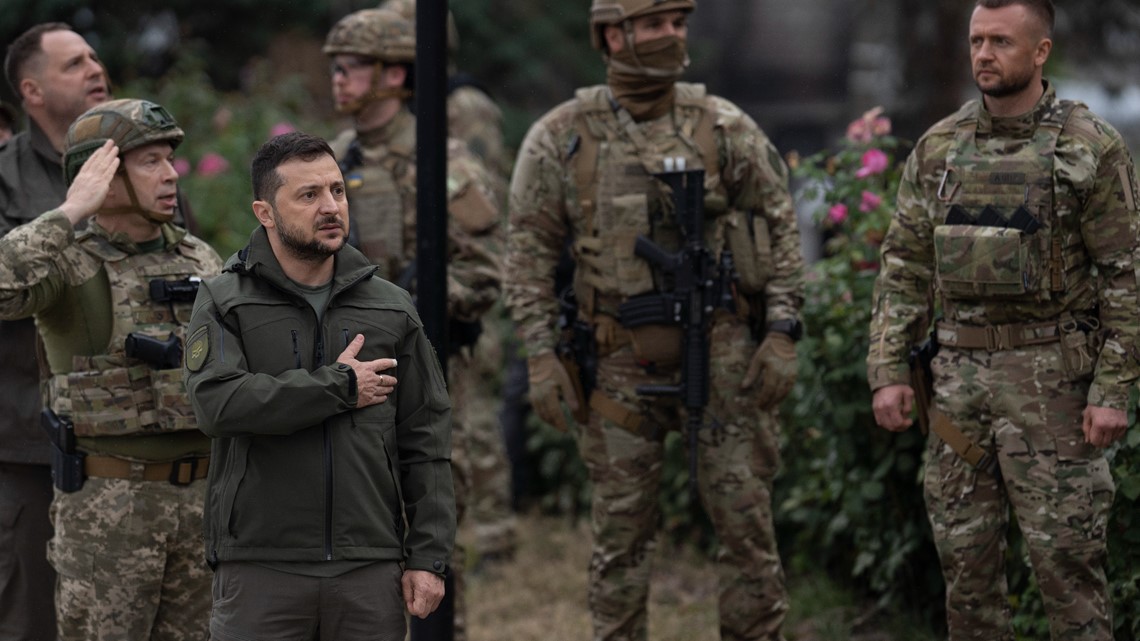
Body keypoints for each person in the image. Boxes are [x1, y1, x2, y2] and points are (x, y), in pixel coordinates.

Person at [505, 1, 805, 639]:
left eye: (679, 24)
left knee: (747, 532)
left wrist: (782, 332)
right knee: (621, 537)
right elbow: (527, 255)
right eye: (655, 25)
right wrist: (540, 354)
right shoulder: (562, 136)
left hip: (724, 353)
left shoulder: (723, 125)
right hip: (616, 360)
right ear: (613, 36)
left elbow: (781, 227)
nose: (672, 36)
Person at [867, 1, 1140, 639]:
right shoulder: (940, 147)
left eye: (1001, 42)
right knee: (965, 574)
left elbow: (1126, 276)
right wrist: (888, 369)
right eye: (976, 40)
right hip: (957, 391)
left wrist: (1112, 390)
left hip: (1053, 391)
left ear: (1041, 51)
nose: (984, 54)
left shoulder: (1088, 146)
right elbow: (904, 265)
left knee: (1069, 572)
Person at [182, 131, 455, 641]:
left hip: (368, 566)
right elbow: (217, 404)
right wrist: (338, 387)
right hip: (261, 564)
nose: (330, 207)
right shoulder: (226, 300)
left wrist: (429, 555)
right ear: (265, 213)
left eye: (337, 190)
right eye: (308, 195)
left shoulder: (391, 306)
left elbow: (426, 438)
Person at [0, 98, 220, 640]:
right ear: (103, 176)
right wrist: (71, 210)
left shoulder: (201, 260)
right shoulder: (69, 260)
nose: (171, 174)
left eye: (170, 159)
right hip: (110, 513)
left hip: (202, 507)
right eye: (150, 161)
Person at [322, 8, 503, 639]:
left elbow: (487, 270)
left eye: (351, 67)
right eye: (336, 68)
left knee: (430, 540)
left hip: (429, 379)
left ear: (395, 74)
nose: (338, 79)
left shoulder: (442, 162)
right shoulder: (333, 160)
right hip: (349, 380)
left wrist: (411, 303)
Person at [378, 0, 519, 562]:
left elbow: (490, 196)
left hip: (465, 273)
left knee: (474, 419)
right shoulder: (397, 117)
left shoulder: (462, 105)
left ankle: (494, 538)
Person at [0, 24, 110, 639]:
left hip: (128, 447)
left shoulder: (137, 167)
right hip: (28, 450)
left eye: (94, 57)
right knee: (32, 621)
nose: (95, 68)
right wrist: (69, 214)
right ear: (32, 91)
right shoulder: (5, 178)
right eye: (74, 64)